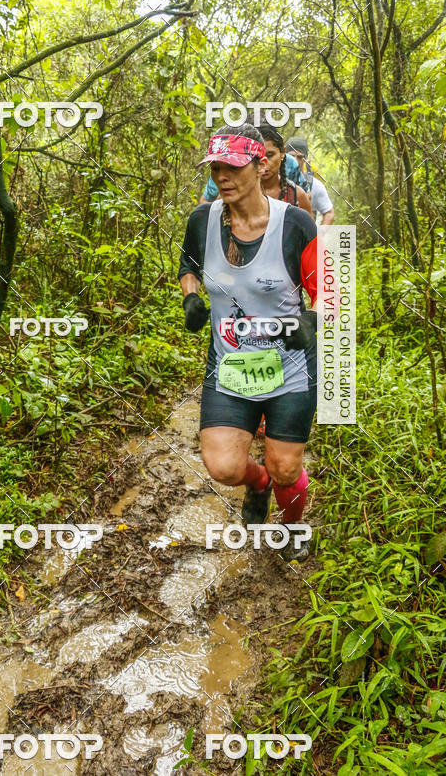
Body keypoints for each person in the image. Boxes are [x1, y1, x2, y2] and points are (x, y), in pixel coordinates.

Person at [179, 124, 318, 562]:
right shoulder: (202, 220)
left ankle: (292, 526)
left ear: (260, 167)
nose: (223, 177)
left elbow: (331, 290)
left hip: (290, 367)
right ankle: (256, 486)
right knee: (224, 467)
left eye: (233, 167)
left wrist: (310, 320)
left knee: (286, 467)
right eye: (216, 167)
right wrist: (190, 298)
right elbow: (188, 265)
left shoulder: (295, 222)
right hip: (230, 366)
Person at [285, 137, 335, 225]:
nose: (295, 160)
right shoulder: (274, 179)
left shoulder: (315, 185)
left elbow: (329, 213)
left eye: (300, 157)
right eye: (291, 156)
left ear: (305, 159)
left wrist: (319, 235)